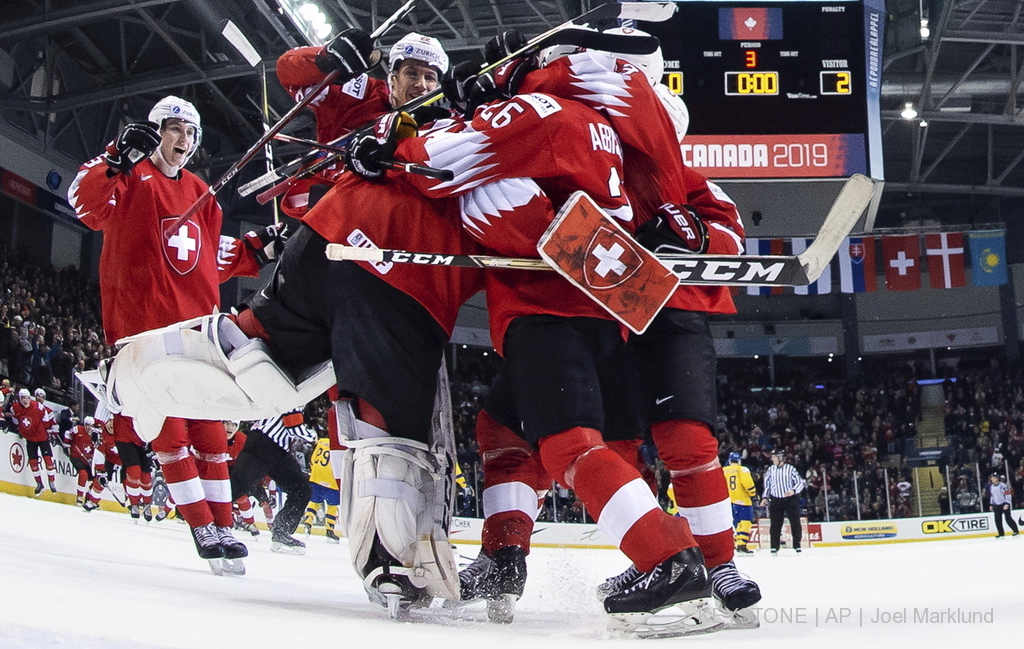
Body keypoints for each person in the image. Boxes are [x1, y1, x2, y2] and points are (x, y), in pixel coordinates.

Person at [67, 95, 282, 566]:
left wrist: (257, 251)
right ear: (154, 131)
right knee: (170, 432)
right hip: (143, 332)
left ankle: (225, 527)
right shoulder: (128, 176)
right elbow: (84, 204)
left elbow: (207, 257)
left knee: (209, 432)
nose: (182, 140)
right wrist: (114, 157)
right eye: (173, 129)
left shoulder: (203, 193)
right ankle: (203, 529)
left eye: (190, 133)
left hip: (196, 328)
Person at [274, 30, 449, 217]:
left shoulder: (441, 126)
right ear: (393, 77)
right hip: (327, 204)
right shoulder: (359, 92)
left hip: (381, 219)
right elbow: (287, 70)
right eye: (411, 74)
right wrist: (325, 62)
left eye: (430, 77)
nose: (421, 85)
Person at [229, 410, 315, 554]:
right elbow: (293, 425)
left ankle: (282, 531)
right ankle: (206, 519)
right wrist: (313, 436)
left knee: (301, 489)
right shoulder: (295, 394)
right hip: (264, 443)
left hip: (276, 449)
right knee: (236, 486)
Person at [6, 388, 59, 496]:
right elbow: (16, 421)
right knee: (33, 462)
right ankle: (39, 484)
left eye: (27, 397)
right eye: (23, 398)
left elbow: (45, 421)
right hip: (30, 439)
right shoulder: (15, 408)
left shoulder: (38, 406)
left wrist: (43, 431)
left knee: (48, 460)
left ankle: (51, 481)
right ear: (19, 398)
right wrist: (20, 429)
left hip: (41, 438)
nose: (25, 400)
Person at [760, 449, 805, 554]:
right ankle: (774, 546)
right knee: (775, 524)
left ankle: (797, 545)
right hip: (776, 499)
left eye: (774, 457)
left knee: (795, 522)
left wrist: (793, 490)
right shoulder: (771, 470)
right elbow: (768, 485)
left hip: (790, 500)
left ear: (780, 458)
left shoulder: (790, 469)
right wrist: (765, 498)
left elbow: (800, 482)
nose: (772, 459)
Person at [302, 432, 341, 542]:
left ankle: (308, 522)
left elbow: (313, 459)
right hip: (331, 478)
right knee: (332, 505)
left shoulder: (321, 442)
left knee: (314, 501)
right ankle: (329, 530)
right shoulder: (337, 445)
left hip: (316, 476)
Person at [722, 452, 757, 554]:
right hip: (743, 501)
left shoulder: (723, 471)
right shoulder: (742, 469)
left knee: (737, 523)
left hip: (729, 502)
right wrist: (753, 494)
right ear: (739, 461)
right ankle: (742, 544)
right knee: (746, 523)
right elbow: (748, 483)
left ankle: (738, 544)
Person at [63, 416, 98, 506]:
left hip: (89, 461)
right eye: (87, 425)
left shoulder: (95, 435)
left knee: (97, 480)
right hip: (76, 456)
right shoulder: (77, 429)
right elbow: (67, 433)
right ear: (84, 424)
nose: (89, 427)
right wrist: (67, 444)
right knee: (83, 474)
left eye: (91, 425)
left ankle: (89, 498)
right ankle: (79, 497)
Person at [988, 473, 1019, 538]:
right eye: (992, 478)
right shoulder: (991, 487)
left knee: (1008, 518)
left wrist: (1007, 503)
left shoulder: (1003, 486)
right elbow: (992, 496)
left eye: (994, 478)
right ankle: (1001, 533)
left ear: (997, 478)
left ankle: (1015, 531)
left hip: (1004, 503)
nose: (992, 479)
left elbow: (1008, 494)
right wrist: (991, 504)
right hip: (996, 504)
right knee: (997, 519)